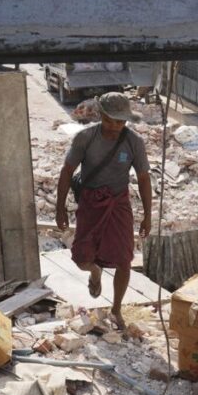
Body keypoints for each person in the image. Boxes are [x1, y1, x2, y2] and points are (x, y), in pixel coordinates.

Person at [55, 92, 152, 328]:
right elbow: (67, 171)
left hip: (118, 204)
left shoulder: (134, 142)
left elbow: (143, 178)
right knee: (81, 258)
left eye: (120, 122)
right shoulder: (85, 137)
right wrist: (60, 207)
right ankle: (95, 272)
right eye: (110, 120)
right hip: (90, 203)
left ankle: (117, 309)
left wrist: (148, 215)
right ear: (101, 115)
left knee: (124, 259)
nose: (115, 127)